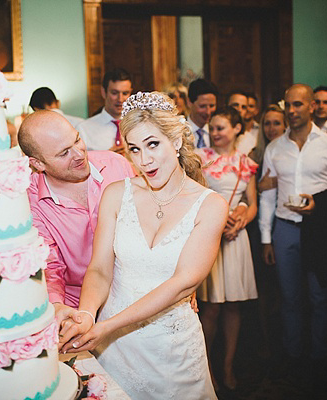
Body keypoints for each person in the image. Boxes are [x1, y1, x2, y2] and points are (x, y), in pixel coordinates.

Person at [61, 92, 228, 399]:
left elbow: (182, 283)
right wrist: (87, 315)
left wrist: (107, 327)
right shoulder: (115, 193)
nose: (144, 160)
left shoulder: (210, 205)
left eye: (153, 144)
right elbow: (99, 269)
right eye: (134, 149)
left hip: (172, 351)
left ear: (175, 142)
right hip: (114, 347)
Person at [260, 84, 327, 381]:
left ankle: (321, 357)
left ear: (312, 106)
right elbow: (267, 194)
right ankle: (292, 355)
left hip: (321, 231)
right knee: (289, 298)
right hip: (285, 229)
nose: (292, 111)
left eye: (298, 105)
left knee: (321, 296)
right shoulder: (275, 148)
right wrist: (266, 238)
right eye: (288, 105)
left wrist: (320, 205)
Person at [18, 110, 134, 320]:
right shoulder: (30, 202)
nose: (80, 155)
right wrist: (57, 305)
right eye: (64, 153)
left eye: (77, 140)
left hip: (136, 298)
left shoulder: (117, 165)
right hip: (78, 308)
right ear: (38, 164)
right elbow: (49, 265)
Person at [196, 106, 258, 391]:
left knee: (234, 306)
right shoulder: (200, 159)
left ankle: (228, 366)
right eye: (212, 128)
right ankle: (206, 369)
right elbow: (193, 197)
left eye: (221, 127)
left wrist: (243, 215)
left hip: (236, 237)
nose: (215, 132)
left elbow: (252, 201)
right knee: (210, 309)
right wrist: (217, 222)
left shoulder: (246, 162)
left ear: (236, 129)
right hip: (211, 235)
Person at [248, 104, 287, 358]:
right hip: (258, 226)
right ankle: (264, 340)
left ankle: (284, 336)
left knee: (285, 285)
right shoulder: (254, 154)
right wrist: (260, 186)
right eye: (268, 123)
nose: (272, 128)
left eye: (277, 123)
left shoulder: (289, 153)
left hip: (283, 222)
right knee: (263, 284)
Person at [77, 68, 133, 152]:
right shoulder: (84, 129)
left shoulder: (138, 125)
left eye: (125, 93)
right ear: (103, 92)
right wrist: (105, 158)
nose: (120, 99)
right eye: (114, 93)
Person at [186, 79, 218, 148]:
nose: (208, 112)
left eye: (212, 106)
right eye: (202, 106)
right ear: (189, 102)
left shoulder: (218, 132)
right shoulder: (178, 130)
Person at [227, 90, 259, 155]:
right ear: (226, 106)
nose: (239, 110)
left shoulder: (252, 141)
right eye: (235, 105)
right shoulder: (214, 134)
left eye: (243, 107)